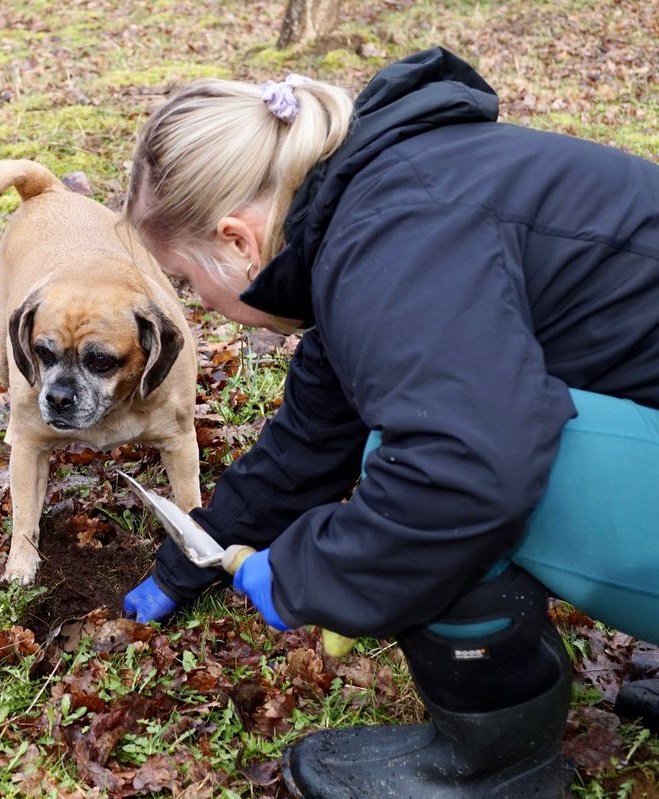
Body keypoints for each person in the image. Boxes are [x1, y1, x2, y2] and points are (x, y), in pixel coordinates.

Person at [121, 47, 659, 797]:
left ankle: (493, 767)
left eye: (185, 279)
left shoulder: (393, 235)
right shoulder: (376, 204)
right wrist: (193, 560)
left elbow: (467, 472)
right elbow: (311, 437)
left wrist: (314, 573)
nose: (194, 303)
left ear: (237, 240)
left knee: (426, 460)